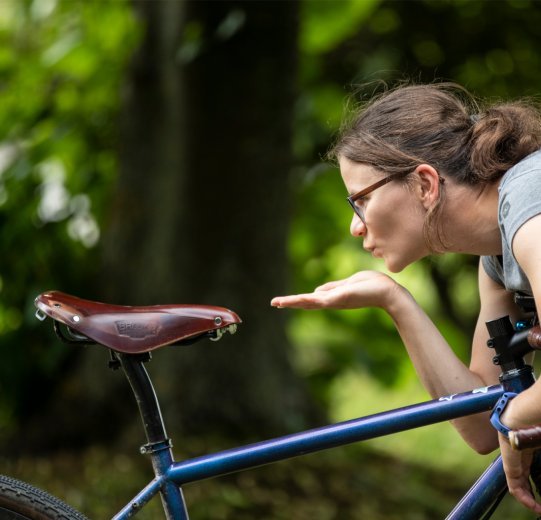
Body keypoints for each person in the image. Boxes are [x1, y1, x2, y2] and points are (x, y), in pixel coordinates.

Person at [271, 82, 541, 514]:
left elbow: (503, 420)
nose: (355, 227)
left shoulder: (531, 198)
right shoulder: (495, 255)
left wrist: (517, 415)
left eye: (361, 200)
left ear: (424, 184)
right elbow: (480, 426)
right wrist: (394, 300)